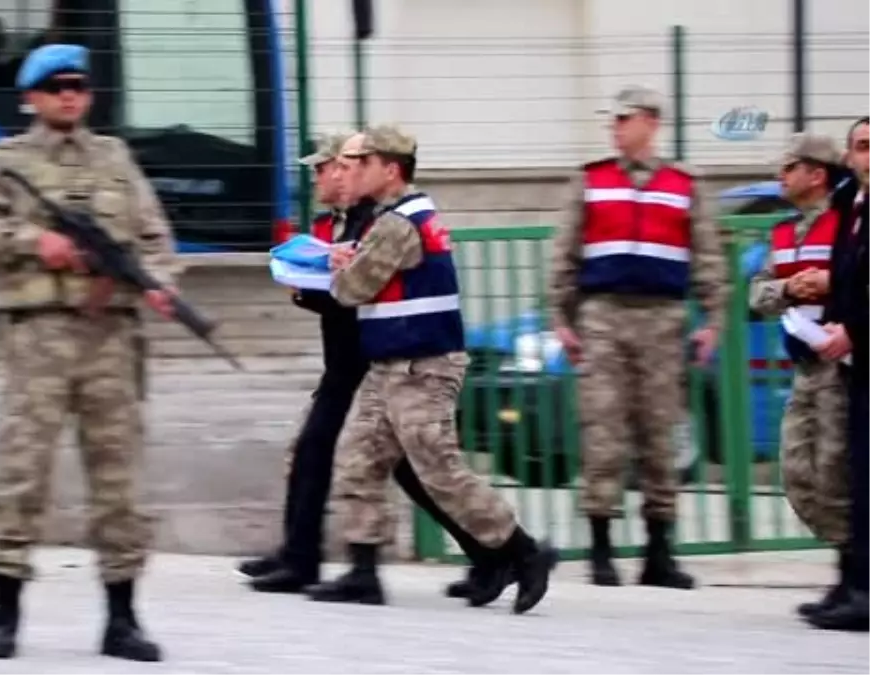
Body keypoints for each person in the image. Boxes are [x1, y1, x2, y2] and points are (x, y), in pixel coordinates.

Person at [0, 44, 180, 661]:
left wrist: (158, 283)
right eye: (56, 86)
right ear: (32, 96)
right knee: (21, 474)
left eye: (78, 86)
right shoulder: (7, 160)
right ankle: (5, 613)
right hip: (37, 337)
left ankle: (122, 618)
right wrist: (40, 242)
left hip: (110, 338)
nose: (69, 95)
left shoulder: (116, 160)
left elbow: (156, 240)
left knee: (118, 480)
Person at [242, 133, 514, 606]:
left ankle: (506, 552)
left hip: (375, 360)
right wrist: (314, 283)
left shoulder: (384, 221)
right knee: (357, 461)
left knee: (413, 468)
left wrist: (317, 284)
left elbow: (355, 291)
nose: (327, 176)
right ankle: (316, 558)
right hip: (357, 360)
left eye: (338, 167)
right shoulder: (337, 223)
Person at [304, 126, 557, 615]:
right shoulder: (402, 216)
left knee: (439, 469)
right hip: (391, 364)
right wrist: (349, 261)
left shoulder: (398, 223)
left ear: (390, 169)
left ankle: (523, 553)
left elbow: (350, 290)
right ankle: (362, 572)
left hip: (421, 367)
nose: (356, 169)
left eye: (366, 162)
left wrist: (336, 265)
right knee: (361, 461)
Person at [547, 86, 729, 589]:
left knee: (659, 432)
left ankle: (658, 553)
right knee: (602, 430)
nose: (615, 127)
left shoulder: (683, 183)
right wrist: (560, 316)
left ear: (650, 122)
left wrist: (713, 319)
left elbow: (709, 258)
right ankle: (601, 550)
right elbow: (565, 251)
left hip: (664, 318)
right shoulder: (591, 179)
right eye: (614, 120)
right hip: (602, 316)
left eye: (624, 119)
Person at [748, 132, 851, 618]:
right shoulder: (784, 232)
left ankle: (851, 580)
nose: (780, 176)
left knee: (836, 473)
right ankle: (848, 574)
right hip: (805, 366)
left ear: (816, 174)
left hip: (844, 364)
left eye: (788, 167)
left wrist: (830, 286)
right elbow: (757, 295)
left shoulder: (847, 224)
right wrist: (790, 287)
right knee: (797, 473)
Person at [810, 115, 870, 631]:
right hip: (856, 361)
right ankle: (855, 585)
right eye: (860, 147)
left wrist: (854, 329)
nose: (866, 156)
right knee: (859, 477)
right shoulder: (852, 209)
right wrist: (834, 320)